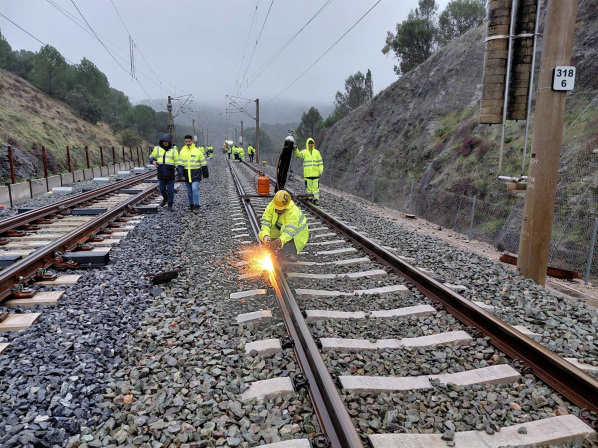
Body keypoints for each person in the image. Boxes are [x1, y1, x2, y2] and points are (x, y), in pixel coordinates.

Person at [259, 190, 309, 262]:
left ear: (286, 206)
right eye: (277, 208)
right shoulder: (271, 206)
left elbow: (289, 232)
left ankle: (292, 253)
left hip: (296, 235)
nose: (278, 210)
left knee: (287, 253)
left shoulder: (293, 212)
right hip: (281, 231)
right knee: (272, 247)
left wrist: (279, 242)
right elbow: (265, 223)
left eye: (281, 209)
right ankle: (279, 248)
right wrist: (265, 236)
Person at [177, 135, 208, 212]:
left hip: (196, 173)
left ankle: (197, 205)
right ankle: (191, 205)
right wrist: (180, 175)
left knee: (194, 188)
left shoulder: (197, 151)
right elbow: (180, 164)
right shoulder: (182, 151)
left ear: (192, 141)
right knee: (189, 191)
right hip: (186, 173)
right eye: (186, 141)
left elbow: (203, 163)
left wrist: (205, 173)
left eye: (189, 141)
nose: (187, 143)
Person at [150, 134, 178, 211]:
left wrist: (180, 172)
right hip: (161, 174)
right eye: (163, 141)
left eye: (166, 141)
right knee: (162, 189)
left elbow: (177, 162)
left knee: (171, 190)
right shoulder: (157, 149)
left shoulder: (174, 151)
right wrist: (153, 161)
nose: (165, 143)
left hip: (170, 174)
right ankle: (165, 198)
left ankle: (170, 204)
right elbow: (152, 157)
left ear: (169, 142)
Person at [295, 137, 323, 205]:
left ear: (313, 144)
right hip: (307, 174)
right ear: (307, 144)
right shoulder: (304, 152)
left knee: (315, 188)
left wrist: (321, 170)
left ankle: (315, 199)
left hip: (315, 174)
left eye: (312, 143)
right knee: (309, 188)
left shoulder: (317, 152)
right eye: (309, 143)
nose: (311, 144)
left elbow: (320, 162)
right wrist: (296, 150)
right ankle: (310, 199)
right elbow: (299, 155)